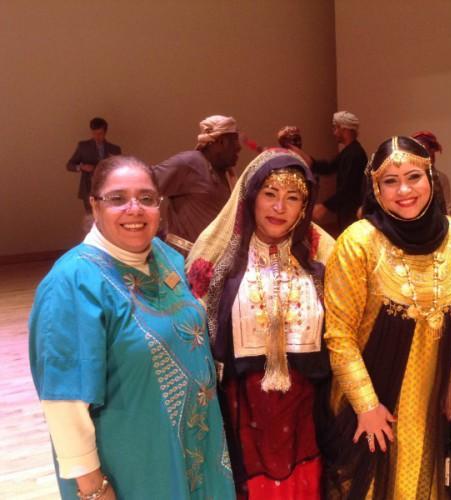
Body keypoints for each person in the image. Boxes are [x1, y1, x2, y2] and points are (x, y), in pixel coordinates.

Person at [29, 156, 235, 499]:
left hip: (195, 446)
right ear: (94, 206)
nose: (134, 209)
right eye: (118, 198)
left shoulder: (163, 255)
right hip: (135, 467)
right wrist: (94, 488)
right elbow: (64, 402)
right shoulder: (73, 283)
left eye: (147, 198)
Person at [322, 136, 451, 498]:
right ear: (375, 187)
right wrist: (366, 404)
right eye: (390, 181)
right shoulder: (358, 242)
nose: (404, 190)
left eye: (414, 177)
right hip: (377, 399)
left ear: (431, 179)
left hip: (433, 398)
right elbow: (339, 335)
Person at [186, 148, 335, 498]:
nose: (279, 208)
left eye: (292, 198)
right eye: (270, 194)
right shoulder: (220, 265)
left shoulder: (322, 258)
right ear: (251, 197)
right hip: (243, 408)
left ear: (305, 206)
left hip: (305, 405)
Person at [153, 114, 241, 256]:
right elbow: (143, 186)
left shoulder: (228, 174)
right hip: (181, 260)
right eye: (235, 141)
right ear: (221, 142)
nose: (239, 147)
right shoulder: (188, 163)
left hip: (213, 261)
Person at [311, 111, 368, 235]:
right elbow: (328, 168)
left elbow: (348, 188)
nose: (333, 132)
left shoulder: (354, 154)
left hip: (352, 212)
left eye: (335, 127)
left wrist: (325, 206)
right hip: (347, 211)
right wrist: (306, 159)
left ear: (344, 129)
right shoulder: (349, 152)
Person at [66, 117, 122, 213]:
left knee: (108, 215)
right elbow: (69, 165)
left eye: (100, 134)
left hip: (108, 188)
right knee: (91, 217)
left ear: (105, 132)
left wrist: (113, 163)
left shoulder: (114, 149)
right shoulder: (83, 146)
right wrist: (81, 167)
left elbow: (120, 169)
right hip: (88, 188)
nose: (97, 136)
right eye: (94, 133)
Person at [411, 130, 451, 215]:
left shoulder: (441, 178)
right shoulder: (408, 179)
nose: (429, 155)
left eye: (431, 151)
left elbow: (448, 208)